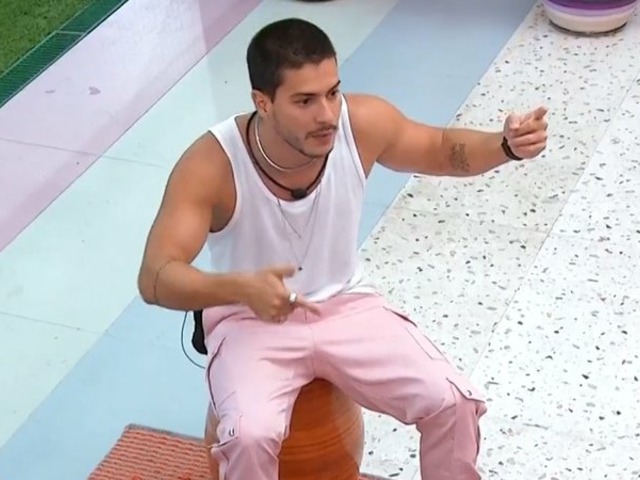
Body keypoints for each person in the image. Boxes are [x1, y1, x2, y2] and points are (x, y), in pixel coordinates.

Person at [137, 17, 548, 480]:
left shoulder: (361, 123)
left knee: (453, 400)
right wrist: (240, 288)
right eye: (305, 101)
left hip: (346, 305)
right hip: (251, 319)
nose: (328, 115)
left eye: (332, 92)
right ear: (263, 102)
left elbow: (439, 147)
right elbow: (156, 276)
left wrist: (506, 145)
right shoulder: (211, 163)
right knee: (250, 436)